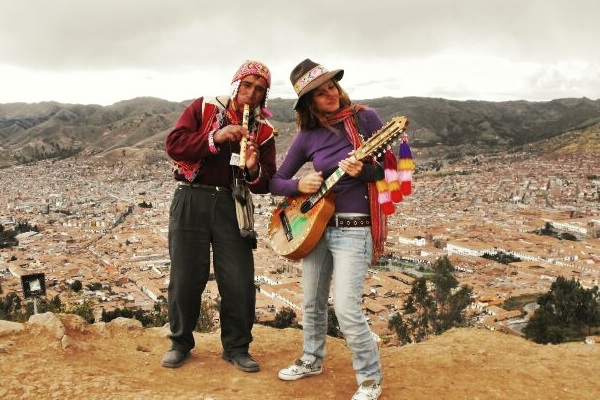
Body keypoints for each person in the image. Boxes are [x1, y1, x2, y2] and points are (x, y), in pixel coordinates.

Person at [271, 58, 386, 399]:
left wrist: (361, 172)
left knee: (347, 308)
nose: (330, 95)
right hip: (315, 228)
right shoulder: (307, 137)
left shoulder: (366, 119)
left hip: (354, 228)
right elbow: (276, 181)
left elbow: (387, 170)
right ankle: (311, 359)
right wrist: (299, 186)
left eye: (331, 87)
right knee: (311, 301)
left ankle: (370, 379)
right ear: (309, 103)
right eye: (320, 94)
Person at [162, 60, 277, 373]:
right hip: (191, 196)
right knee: (185, 277)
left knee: (238, 279)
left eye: (260, 89)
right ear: (236, 83)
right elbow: (174, 145)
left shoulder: (264, 132)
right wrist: (216, 137)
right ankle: (180, 342)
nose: (251, 93)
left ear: (265, 95)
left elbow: (267, 180)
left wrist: (253, 167)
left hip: (233, 202)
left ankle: (237, 348)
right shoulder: (204, 108)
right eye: (247, 85)